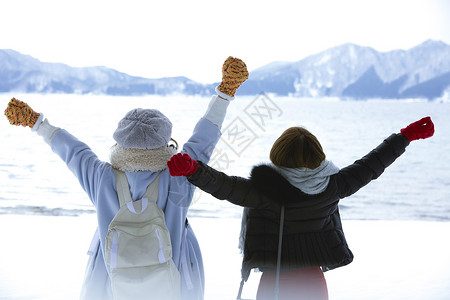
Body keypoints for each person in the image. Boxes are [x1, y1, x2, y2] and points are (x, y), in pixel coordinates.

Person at [4, 56, 248, 300]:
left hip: (112, 281)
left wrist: (37, 123)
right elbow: (203, 139)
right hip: (173, 280)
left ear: (119, 141)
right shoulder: (180, 173)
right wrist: (224, 94)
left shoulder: (101, 177)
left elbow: (74, 152)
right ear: (166, 141)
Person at [167, 117, 435, 300]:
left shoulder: (264, 191)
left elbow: (225, 186)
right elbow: (372, 165)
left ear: (277, 154)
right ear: (318, 154)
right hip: (313, 281)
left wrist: (193, 170)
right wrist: (405, 136)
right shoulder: (334, 185)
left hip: (275, 282)